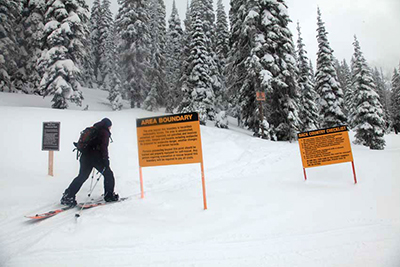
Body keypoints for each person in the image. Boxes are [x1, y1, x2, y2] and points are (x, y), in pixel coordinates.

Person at [61, 118, 119, 206]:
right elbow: (104, 147)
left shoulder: (92, 129)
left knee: (82, 176)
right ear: (108, 125)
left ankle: (68, 196)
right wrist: (106, 160)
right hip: (97, 158)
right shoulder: (104, 132)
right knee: (108, 175)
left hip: (85, 157)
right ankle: (109, 196)